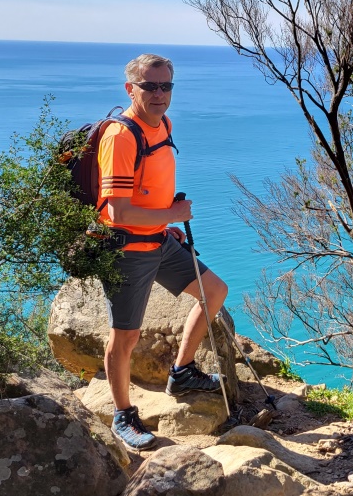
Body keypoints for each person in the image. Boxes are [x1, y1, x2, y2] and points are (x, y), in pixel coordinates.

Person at [97, 53, 229, 450]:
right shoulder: (121, 136)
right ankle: (123, 414)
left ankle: (183, 371)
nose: (159, 94)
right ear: (130, 89)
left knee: (214, 292)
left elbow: (145, 190)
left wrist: (164, 221)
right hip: (127, 250)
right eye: (149, 86)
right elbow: (117, 210)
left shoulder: (163, 125)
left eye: (165, 86)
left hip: (159, 239)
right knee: (126, 336)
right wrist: (171, 211)